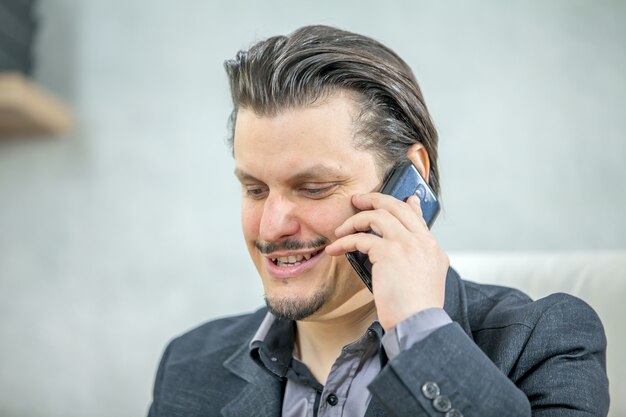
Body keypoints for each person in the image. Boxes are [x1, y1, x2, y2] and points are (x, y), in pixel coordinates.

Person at [148, 25, 609, 417]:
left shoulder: (547, 342)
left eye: (313, 188)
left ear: (410, 181)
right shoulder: (188, 364)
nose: (271, 228)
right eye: (255, 189)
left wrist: (419, 331)